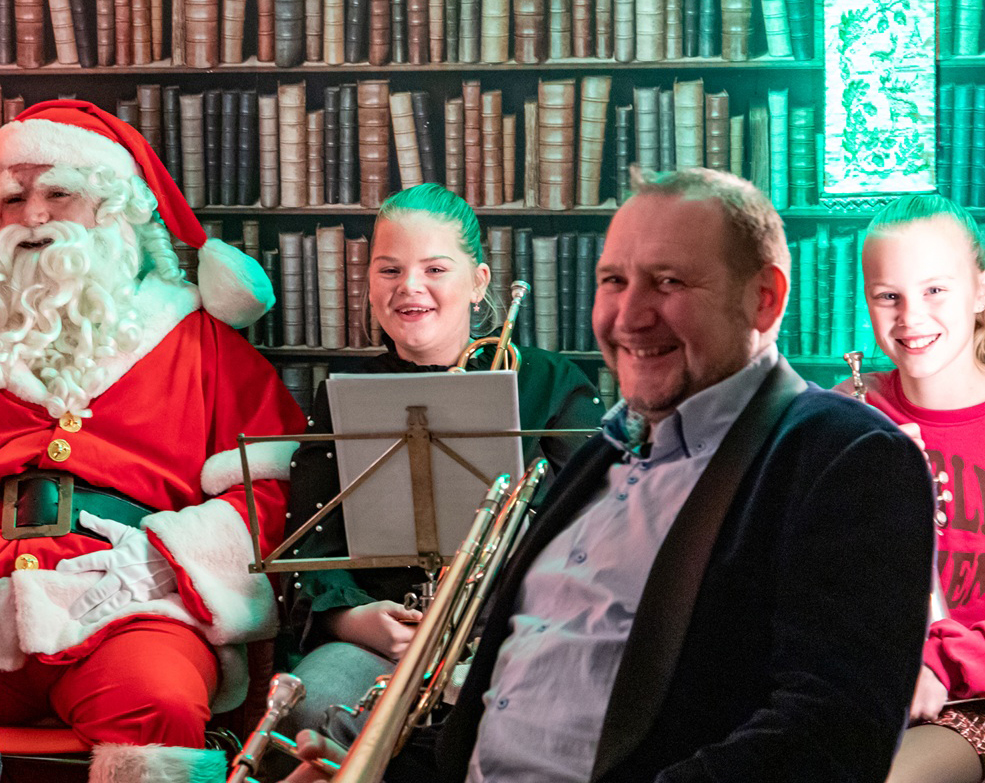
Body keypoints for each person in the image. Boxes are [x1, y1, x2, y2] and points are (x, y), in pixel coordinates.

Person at [285, 168, 937, 783]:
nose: (628, 315)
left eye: (669, 282)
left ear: (762, 298)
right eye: (613, 281)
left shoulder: (848, 456)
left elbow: (827, 736)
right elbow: (508, 715)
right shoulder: (610, 447)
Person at [0, 100, 303, 783]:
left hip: (130, 601)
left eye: (58, 193)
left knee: (157, 702)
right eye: (12, 198)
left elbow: (272, 489)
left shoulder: (201, 346)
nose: (33, 215)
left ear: (112, 207)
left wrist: (160, 562)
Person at [278, 183, 604, 743]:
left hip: (515, 638)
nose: (410, 288)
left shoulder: (554, 386)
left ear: (478, 283)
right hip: (378, 639)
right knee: (315, 705)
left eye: (435, 269)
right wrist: (354, 620)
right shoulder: (341, 394)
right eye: (389, 271)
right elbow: (312, 550)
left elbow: (594, 544)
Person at [828, 195, 985, 783]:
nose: (910, 318)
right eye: (887, 296)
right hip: (872, 683)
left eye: (935, 291)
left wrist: (939, 663)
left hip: (970, 701)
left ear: (981, 292)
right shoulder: (848, 413)